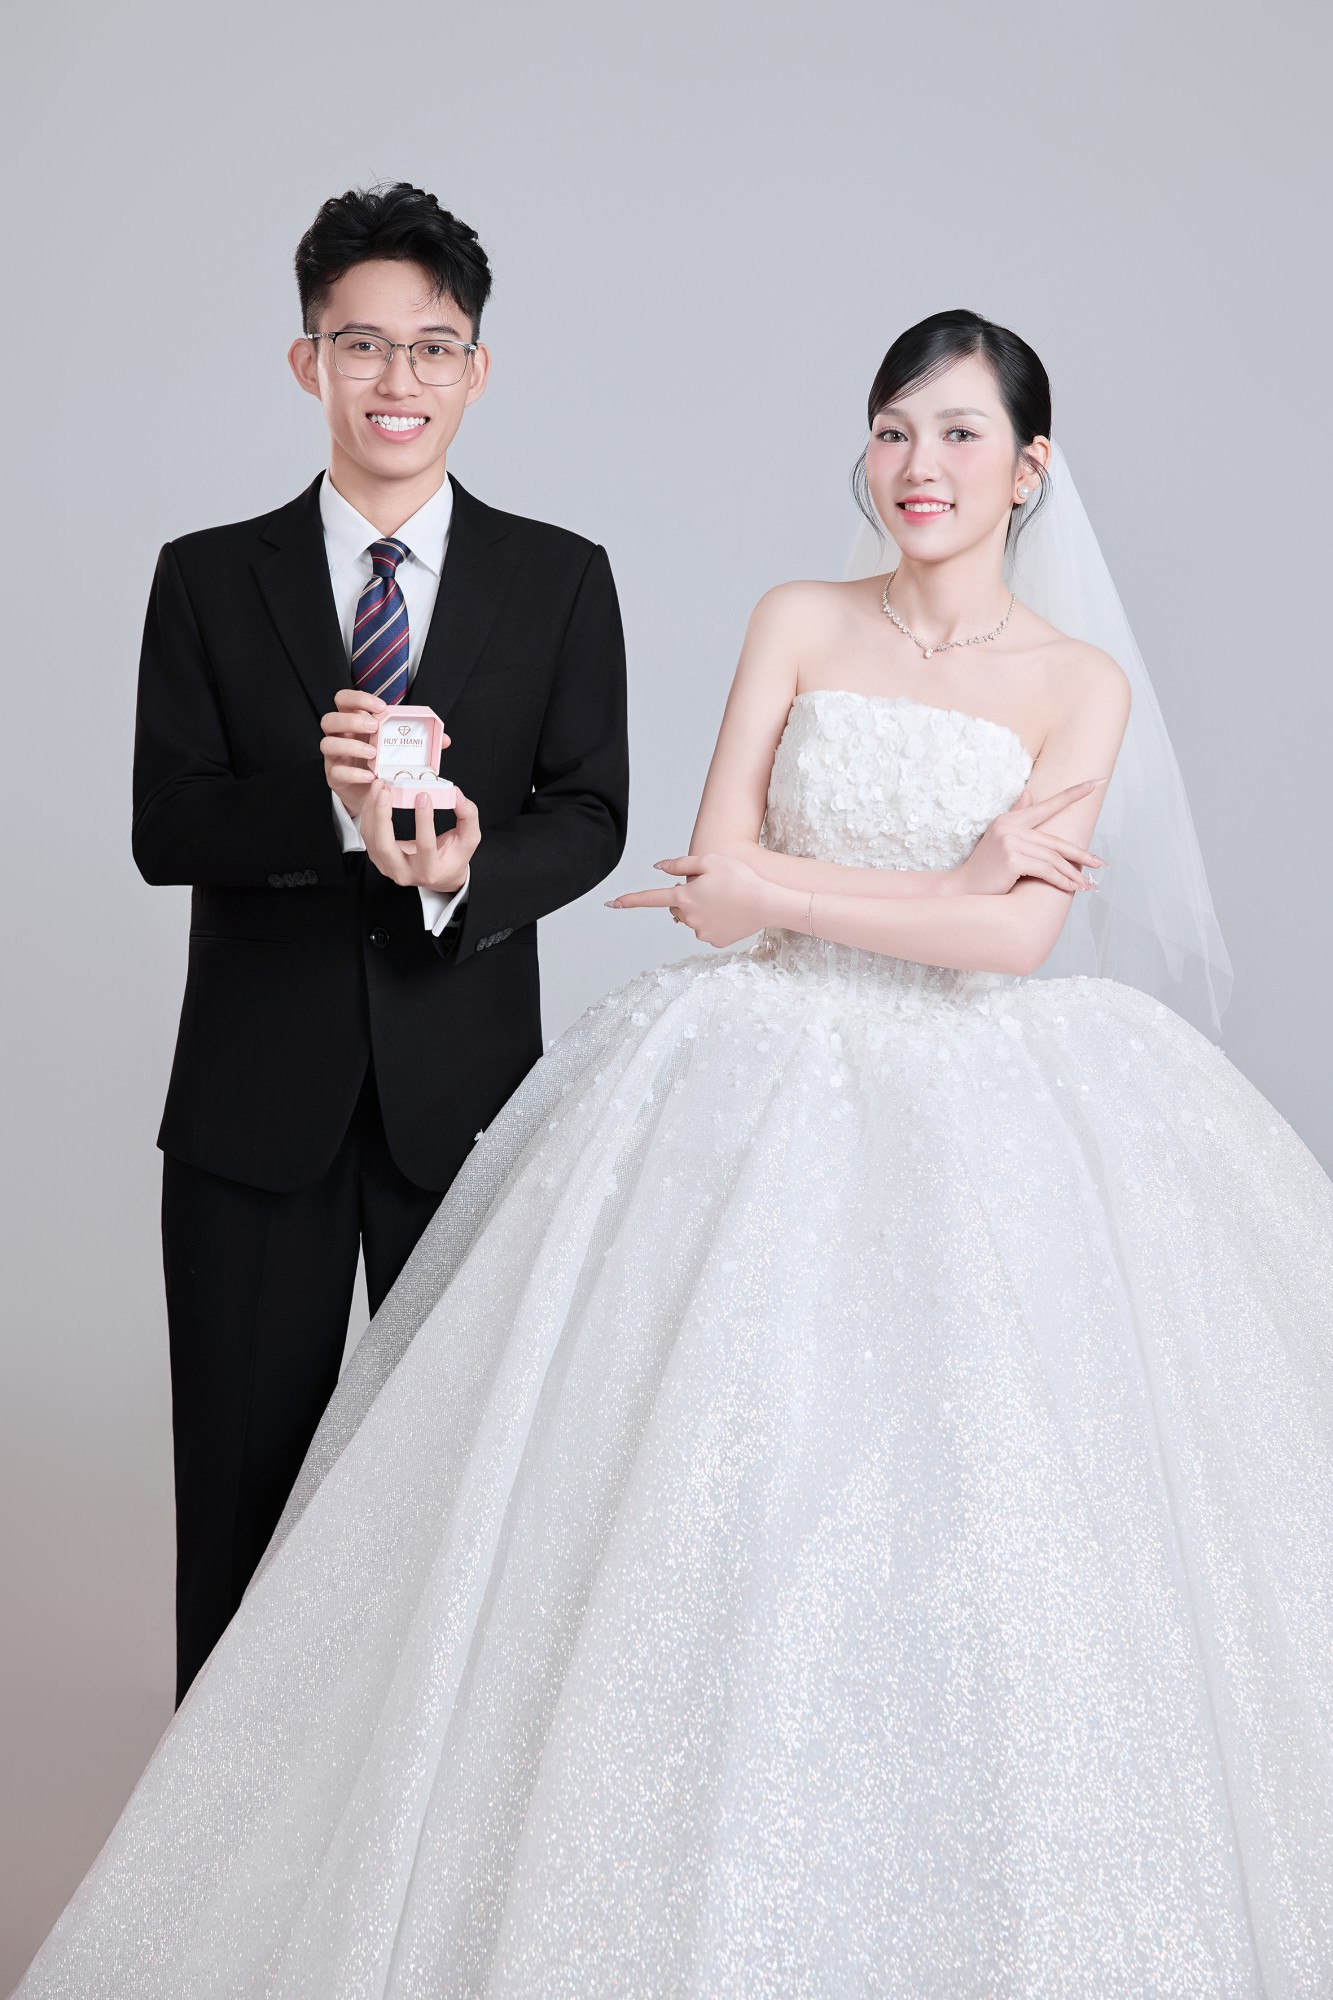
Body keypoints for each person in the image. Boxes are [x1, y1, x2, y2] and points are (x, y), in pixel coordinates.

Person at [19, 311, 1332, 1996]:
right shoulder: (797, 617)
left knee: (991, 1522)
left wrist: (834, 896)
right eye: (891, 430)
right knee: (685, 1505)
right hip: (749, 1078)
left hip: (987, 1109)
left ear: (1028, 469)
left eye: (955, 435)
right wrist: (929, 886)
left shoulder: (1083, 685)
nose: (915, 467)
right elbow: (714, 885)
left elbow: (1007, 947)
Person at [131, 182, 629, 1706]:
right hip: (252, 1113)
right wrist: (333, 806)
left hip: (462, 1108)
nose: (395, 379)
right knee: (238, 1499)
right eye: (359, 345)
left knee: (451, 1505)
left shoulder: (559, 575)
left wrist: (468, 870)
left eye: (430, 346)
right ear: (308, 363)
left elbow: (590, 813)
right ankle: (217, 1835)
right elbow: (167, 826)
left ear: (477, 369)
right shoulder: (209, 575)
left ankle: (414, 1814)